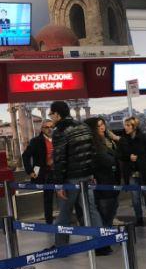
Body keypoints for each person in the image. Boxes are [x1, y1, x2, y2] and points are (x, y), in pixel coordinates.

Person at [49, 100, 103, 248]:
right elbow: (92, 152)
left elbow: (59, 160)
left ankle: (61, 245)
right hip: (87, 176)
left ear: (57, 114)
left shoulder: (59, 131)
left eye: (51, 114)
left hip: (71, 179)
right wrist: (92, 174)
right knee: (92, 209)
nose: (50, 117)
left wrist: (59, 185)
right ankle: (101, 243)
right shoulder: (83, 126)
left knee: (65, 212)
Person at [119, 116, 146, 226]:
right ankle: (138, 217)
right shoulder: (123, 140)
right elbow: (119, 155)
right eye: (125, 125)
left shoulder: (144, 138)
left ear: (134, 126)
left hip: (144, 171)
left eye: (128, 125)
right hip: (131, 172)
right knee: (135, 198)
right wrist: (128, 157)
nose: (126, 128)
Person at [22, 119, 55, 224]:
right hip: (44, 173)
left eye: (51, 127)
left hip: (59, 172)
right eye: (47, 127)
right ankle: (49, 221)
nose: (49, 129)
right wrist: (30, 171)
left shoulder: (58, 139)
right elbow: (25, 156)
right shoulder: (36, 141)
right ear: (42, 129)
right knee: (48, 198)